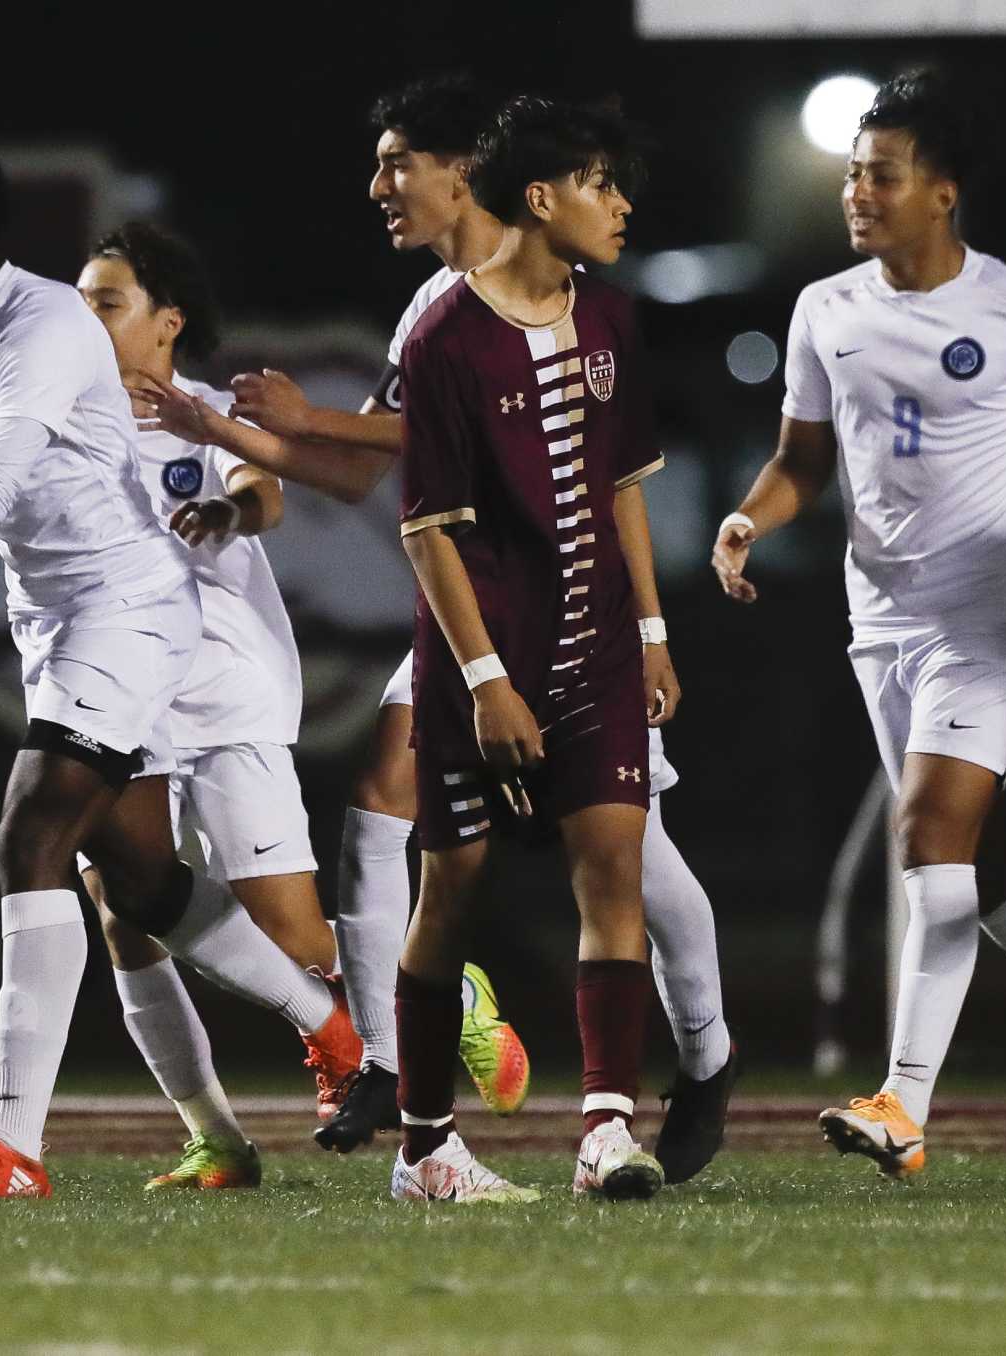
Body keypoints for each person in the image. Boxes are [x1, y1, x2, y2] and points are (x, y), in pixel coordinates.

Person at [143, 76, 735, 1180]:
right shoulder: (438, 312)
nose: (377, 188)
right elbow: (390, 472)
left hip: (578, 624)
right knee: (385, 798)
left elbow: (469, 452)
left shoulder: (566, 292)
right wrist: (225, 431)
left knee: (631, 868)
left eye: (394, 162)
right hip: (477, 613)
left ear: (468, 171)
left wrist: (649, 627)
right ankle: (389, 1060)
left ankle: (702, 1059)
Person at [0, 140, 360, 1199]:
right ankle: (328, 1035)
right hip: (57, 629)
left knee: (29, 835)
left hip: (129, 618)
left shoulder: (42, 325)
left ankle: (13, 1148)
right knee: (136, 886)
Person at [711, 69, 1006, 1181]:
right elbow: (801, 460)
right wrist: (745, 519)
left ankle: (900, 1104)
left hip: (994, 616)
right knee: (974, 861)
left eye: (881, 174)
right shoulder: (825, 308)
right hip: (881, 623)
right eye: (851, 174)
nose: (856, 193)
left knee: (926, 839)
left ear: (942, 192)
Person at [388, 95, 675, 1203]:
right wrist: (483, 682)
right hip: (486, 660)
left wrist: (649, 629)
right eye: (603, 184)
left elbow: (622, 488)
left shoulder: (609, 318)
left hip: (596, 647)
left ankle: (606, 1130)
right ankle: (423, 1150)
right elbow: (426, 532)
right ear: (543, 196)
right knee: (447, 891)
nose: (621, 205)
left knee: (614, 872)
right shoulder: (444, 339)